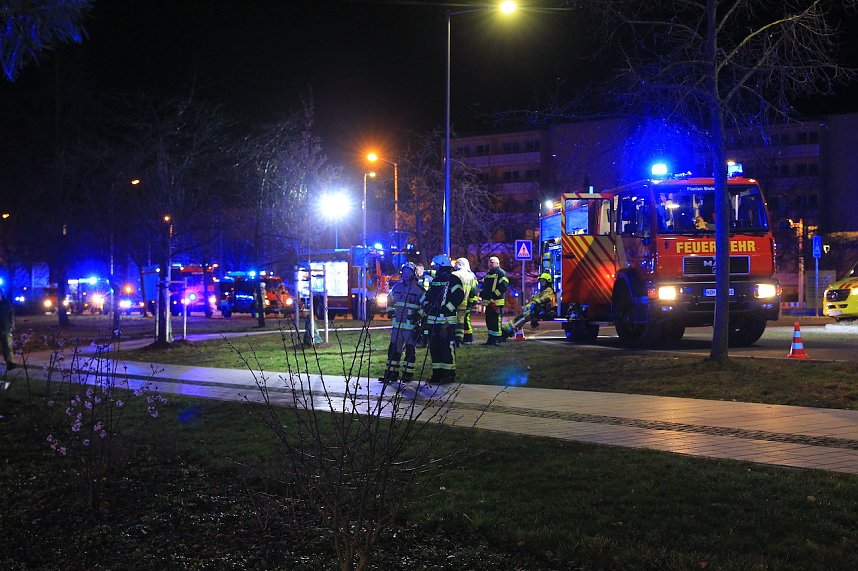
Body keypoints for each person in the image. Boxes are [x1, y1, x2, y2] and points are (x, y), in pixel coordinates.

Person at [419, 254, 464, 384]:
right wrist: (425, 306)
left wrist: (447, 308)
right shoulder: (436, 280)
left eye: (437, 265)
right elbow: (429, 296)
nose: (435, 268)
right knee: (434, 347)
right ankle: (437, 373)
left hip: (446, 321)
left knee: (446, 347)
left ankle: (449, 374)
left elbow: (458, 296)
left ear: (443, 265)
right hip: (433, 320)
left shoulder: (454, 280)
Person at [380, 263, 425, 384]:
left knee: (410, 350)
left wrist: (418, 316)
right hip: (397, 325)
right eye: (404, 272)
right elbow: (389, 301)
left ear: (414, 274)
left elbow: (425, 306)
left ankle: (407, 374)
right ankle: (391, 373)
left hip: (411, 326)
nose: (406, 274)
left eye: (408, 272)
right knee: (394, 349)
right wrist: (391, 313)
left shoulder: (419, 290)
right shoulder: (396, 288)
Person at [502, 273, 556, 338]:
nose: (542, 282)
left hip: (540, 310)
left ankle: (509, 331)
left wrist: (535, 302)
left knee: (524, 318)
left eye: (543, 281)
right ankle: (506, 329)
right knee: (519, 317)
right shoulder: (541, 291)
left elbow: (547, 298)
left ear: (547, 282)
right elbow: (534, 300)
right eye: (541, 281)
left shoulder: (548, 290)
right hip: (534, 309)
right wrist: (528, 306)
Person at [479, 256, 509, 346]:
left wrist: (494, 295)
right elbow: (486, 286)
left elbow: (504, 286)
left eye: (492, 262)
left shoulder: (501, 273)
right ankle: (491, 339)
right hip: (489, 302)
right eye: (489, 262)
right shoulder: (488, 274)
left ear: (497, 263)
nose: (490, 264)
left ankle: (497, 340)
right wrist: (483, 294)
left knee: (495, 321)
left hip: (496, 302)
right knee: (489, 321)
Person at [452, 257, 479, 346]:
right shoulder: (471, 276)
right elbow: (474, 291)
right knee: (462, 321)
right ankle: (462, 338)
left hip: (453, 303)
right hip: (465, 303)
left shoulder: (454, 274)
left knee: (455, 321)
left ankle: (457, 338)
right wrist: (472, 303)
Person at [0, 289, 17, 371]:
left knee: (7, 347)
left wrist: (12, 325)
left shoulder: (6, 303)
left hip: (5, 329)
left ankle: (10, 363)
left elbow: (11, 315)